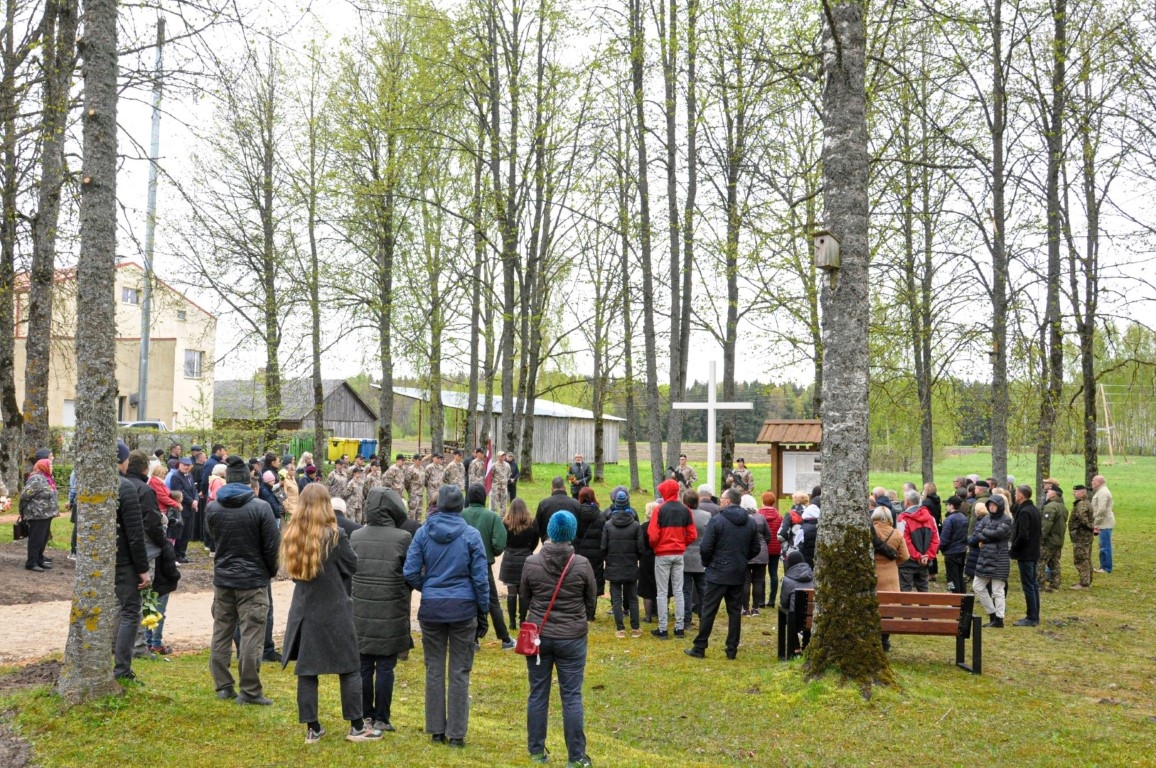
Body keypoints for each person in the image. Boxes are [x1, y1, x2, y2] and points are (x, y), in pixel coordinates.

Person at [280, 484, 382, 744]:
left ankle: (312, 728)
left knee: (307, 671)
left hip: (304, 610)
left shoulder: (293, 534)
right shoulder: (335, 535)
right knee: (348, 667)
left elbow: (294, 574)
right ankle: (357, 726)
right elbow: (352, 565)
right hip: (334, 608)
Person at [403, 485, 490, 747]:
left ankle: (437, 729)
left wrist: (427, 587)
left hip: (434, 606)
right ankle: (456, 733)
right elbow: (480, 578)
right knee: (460, 670)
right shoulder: (470, 535)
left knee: (434, 668)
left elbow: (409, 571)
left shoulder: (424, 533)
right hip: (462, 607)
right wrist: (482, 608)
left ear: (439, 505)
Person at [519, 510, 597, 767]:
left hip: (541, 636)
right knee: (571, 696)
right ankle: (575, 756)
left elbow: (524, 598)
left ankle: (536, 751)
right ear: (571, 533)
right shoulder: (582, 564)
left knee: (538, 693)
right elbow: (591, 601)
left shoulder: (532, 563)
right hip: (571, 637)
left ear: (551, 533)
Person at [206, 455, 281, 703]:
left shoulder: (213, 507)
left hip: (224, 578)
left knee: (222, 631)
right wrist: (268, 572)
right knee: (251, 635)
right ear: (248, 481)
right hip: (252, 579)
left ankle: (223, 686)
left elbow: (213, 539)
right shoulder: (260, 507)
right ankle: (249, 690)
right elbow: (272, 547)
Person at [351, 487, 414, 733]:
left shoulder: (355, 536)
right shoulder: (402, 538)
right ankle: (382, 717)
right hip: (392, 609)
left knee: (364, 666)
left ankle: (366, 714)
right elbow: (410, 573)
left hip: (361, 610)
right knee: (386, 666)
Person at [685, 488, 759, 660]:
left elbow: (706, 547)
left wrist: (708, 563)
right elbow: (756, 547)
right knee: (734, 612)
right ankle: (731, 649)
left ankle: (700, 646)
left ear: (727, 501)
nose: (720, 502)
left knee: (709, 610)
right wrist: (742, 559)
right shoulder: (749, 522)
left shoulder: (717, 520)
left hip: (717, 572)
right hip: (737, 572)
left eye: (722, 499)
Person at [113, 440, 151, 683]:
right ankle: (122, 669)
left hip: (102, 561)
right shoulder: (124, 487)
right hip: (125, 561)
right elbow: (135, 534)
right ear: (121, 460)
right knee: (129, 612)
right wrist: (143, 570)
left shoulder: (94, 483)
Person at [461, 483, 514, 650]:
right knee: (492, 602)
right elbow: (499, 543)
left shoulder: (460, 515)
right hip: (483, 565)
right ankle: (505, 639)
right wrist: (491, 552)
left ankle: (473, 639)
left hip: (462, 564)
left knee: (468, 599)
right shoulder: (492, 517)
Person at [649, 478, 696, 639]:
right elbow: (692, 534)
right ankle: (679, 628)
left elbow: (653, 535)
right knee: (679, 591)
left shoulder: (659, 510)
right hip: (678, 553)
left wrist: (657, 546)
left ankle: (663, 629)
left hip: (663, 554)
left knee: (662, 592)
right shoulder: (686, 510)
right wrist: (681, 544)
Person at [601, 490, 644, 638]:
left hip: (614, 565)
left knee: (617, 598)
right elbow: (641, 548)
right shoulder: (636, 526)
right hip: (630, 565)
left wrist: (609, 560)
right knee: (632, 598)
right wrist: (634, 559)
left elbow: (603, 547)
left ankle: (620, 629)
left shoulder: (608, 525)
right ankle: (635, 628)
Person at [969, 494, 1013, 628]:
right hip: (984, 558)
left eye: (994, 505)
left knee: (997, 590)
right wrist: (987, 534)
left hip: (1000, 559)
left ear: (1000, 506)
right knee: (977, 586)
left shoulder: (1006, 519)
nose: (992, 507)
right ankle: (992, 613)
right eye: (990, 505)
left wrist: (985, 534)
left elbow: (998, 534)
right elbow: (977, 533)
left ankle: (999, 618)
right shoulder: (986, 518)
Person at [871, 506, 909, 651]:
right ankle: (885, 640)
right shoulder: (897, 534)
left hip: (872, 573)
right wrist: (892, 563)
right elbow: (905, 556)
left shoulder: (869, 532)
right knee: (888, 609)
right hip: (890, 577)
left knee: (872, 607)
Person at [500, 498, 540, 632]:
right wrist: (528, 551)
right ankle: (523, 620)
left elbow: (502, 540)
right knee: (524, 592)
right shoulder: (531, 523)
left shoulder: (505, 523)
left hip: (510, 557)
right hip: (525, 557)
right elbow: (535, 541)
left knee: (511, 592)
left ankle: (512, 622)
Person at [1009, 484, 1041, 627]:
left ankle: (1032, 617)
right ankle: (1034, 614)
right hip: (1033, 551)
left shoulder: (1024, 512)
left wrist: (1013, 547)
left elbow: (1023, 535)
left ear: (1021, 495)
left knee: (1029, 585)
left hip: (1026, 553)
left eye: (1016, 493)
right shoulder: (1033, 509)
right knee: (1033, 584)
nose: (1015, 495)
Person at [20, 455, 58, 572]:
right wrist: (22, 511)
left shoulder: (47, 477)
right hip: (37, 514)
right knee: (36, 539)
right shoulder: (37, 478)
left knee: (43, 538)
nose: (52, 467)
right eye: (50, 465)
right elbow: (25, 495)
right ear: (43, 466)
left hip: (46, 514)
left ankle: (39, 559)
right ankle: (31, 562)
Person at [897, 489, 940, 593]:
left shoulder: (903, 518)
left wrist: (918, 556)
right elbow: (936, 540)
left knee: (905, 594)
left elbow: (904, 542)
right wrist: (927, 556)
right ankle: (925, 610)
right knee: (924, 593)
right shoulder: (930, 518)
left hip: (908, 562)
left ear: (907, 502)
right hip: (924, 562)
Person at [681, 492, 710, 629]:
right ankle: (704, 618)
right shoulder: (706, 516)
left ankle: (686, 620)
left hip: (685, 556)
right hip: (701, 558)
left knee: (685, 591)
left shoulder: (682, 515)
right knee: (703, 590)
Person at [739, 494, 771, 616]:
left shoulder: (741, 519)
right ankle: (756, 608)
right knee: (758, 580)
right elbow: (768, 536)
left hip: (745, 552)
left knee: (746, 581)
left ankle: (745, 608)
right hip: (761, 553)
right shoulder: (761, 518)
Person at [574, 488, 607, 597]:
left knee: (579, 581)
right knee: (594, 582)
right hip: (596, 554)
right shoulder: (601, 515)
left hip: (579, 553)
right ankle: (591, 611)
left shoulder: (575, 514)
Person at [1038, 481, 1068, 592]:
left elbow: (1045, 526)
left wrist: (1040, 539)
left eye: (1049, 491)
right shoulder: (1062, 507)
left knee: (1040, 562)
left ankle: (1039, 586)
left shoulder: (1050, 507)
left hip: (1049, 540)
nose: (1047, 492)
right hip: (1058, 539)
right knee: (1054, 562)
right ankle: (1055, 585)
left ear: (1054, 494)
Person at [168, 457, 199, 562]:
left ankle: (182, 553)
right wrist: (192, 501)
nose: (186, 467)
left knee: (187, 531)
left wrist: (196, 499)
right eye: (184, 464)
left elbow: (194, 490)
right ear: (179, 464)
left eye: (188, 465)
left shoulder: (190, 475)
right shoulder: (175, 476)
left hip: (190, 507)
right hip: (182, 507)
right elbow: (180, 492)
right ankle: (178, 554)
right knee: (181, 531)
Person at [757, 492, 783, 608]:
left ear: (763, 501)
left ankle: (761, 600)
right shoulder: (779, 516)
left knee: (761, 575)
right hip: (775, 547)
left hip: (761, 548)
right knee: (773, 573)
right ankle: (772, 600)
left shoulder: (758, 514)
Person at [536, 476, 582, 541]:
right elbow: (581, 527)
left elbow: (537, 527)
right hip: (571, 544)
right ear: (565, 488)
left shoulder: (543, 504)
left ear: (551, 488)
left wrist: (545, 538)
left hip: (549, 543)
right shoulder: (576, 504)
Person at [939, 496, 969, 594]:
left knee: (951, 579)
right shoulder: (963, 517)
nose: (946, 506)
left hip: (951, 553)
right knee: (960, 577)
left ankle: (954, 599)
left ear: (951, 506)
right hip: (961, 551)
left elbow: (944, 538)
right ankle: (963, 598)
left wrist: (941, 548)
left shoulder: (949, 519)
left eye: (947, 504)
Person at [1068, 484, 1095, 589]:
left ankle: (1084, 583)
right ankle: (1088, 579)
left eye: (1075, 492)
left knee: (1081, 559)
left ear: (1082, 492)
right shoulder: (1086, 502)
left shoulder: (1081, 504)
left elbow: (1083, 519)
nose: (1073, 494)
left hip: (1081, 536)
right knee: (1087, 558)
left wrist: (1090, 526)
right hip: (1086, 536)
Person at [637, 501, 659, 623]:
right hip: (659, 556)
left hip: (646, 559)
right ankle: (661, 613)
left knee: (647, 589)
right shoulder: (661, 526)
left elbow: (640, 545)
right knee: (662, 587)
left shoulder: (643, 527)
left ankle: (647, 616)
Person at [1090, 474, 1114, 573]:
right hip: (1102, 523)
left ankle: (1106, 568)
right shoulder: (1100, 492)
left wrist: (1095, 523)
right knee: (1102, 545)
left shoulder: (1103, 492)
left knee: (1105, 546)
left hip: (1104, 523)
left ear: (1099, 482)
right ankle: (1103, 566)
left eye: (1093, 481)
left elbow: (1101, 510)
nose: (1092, 482)